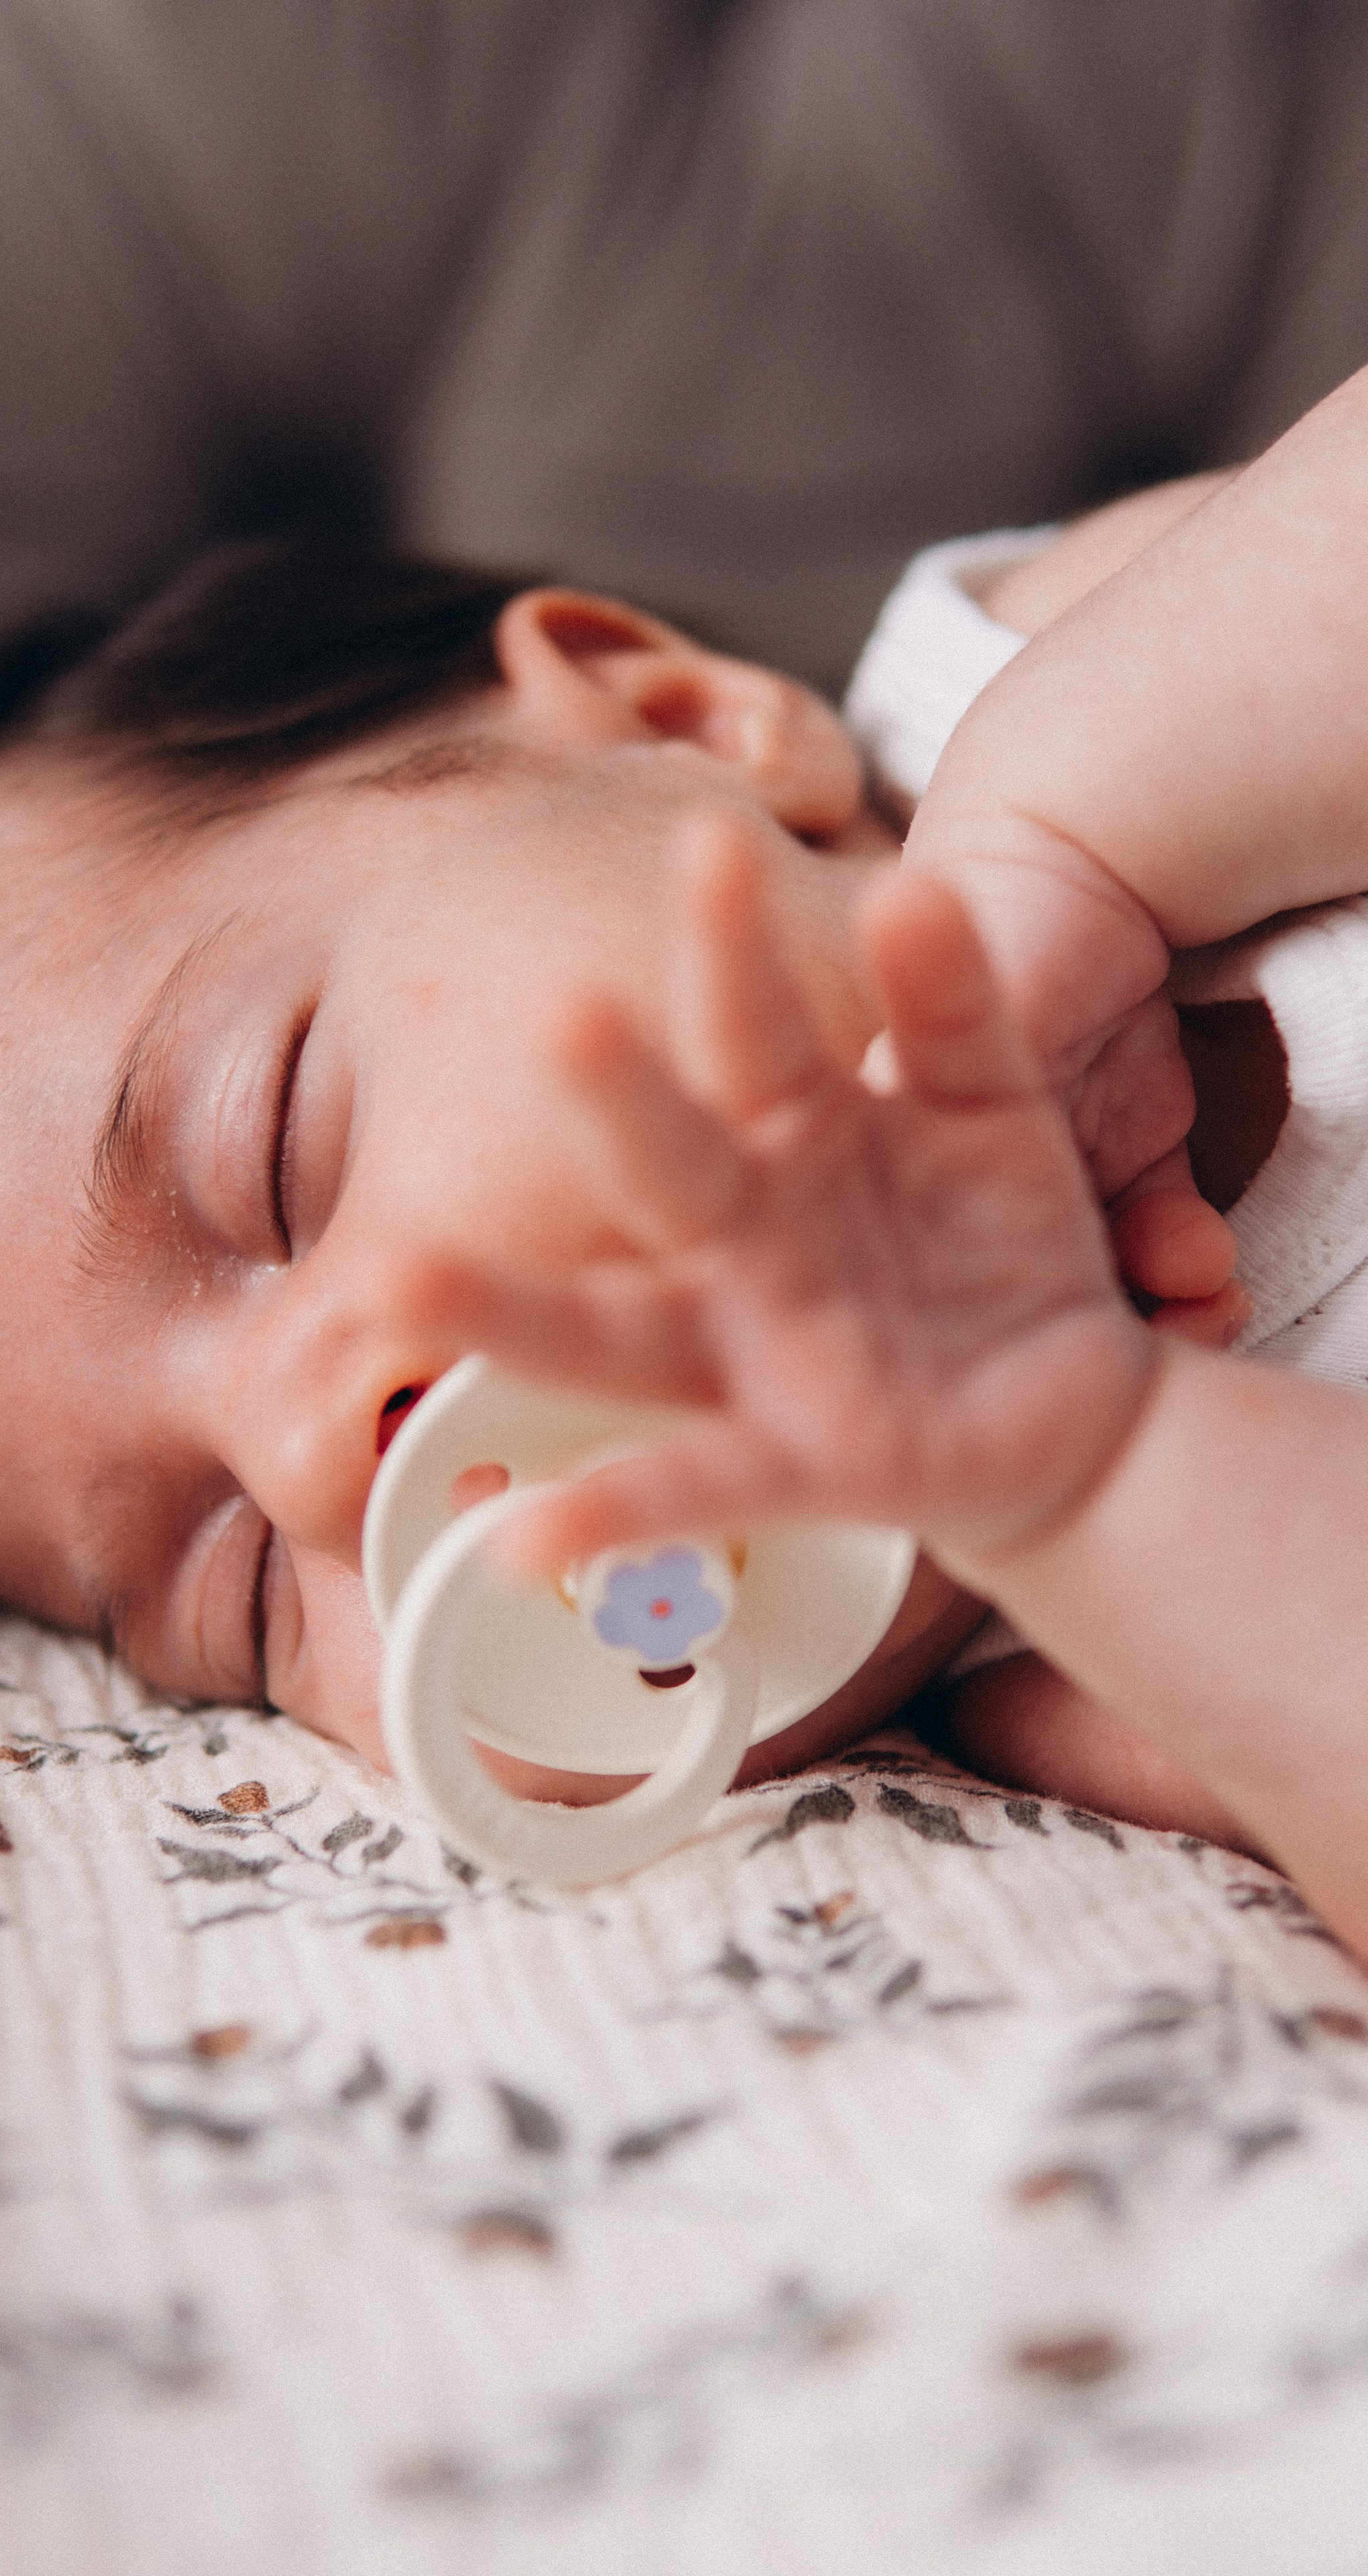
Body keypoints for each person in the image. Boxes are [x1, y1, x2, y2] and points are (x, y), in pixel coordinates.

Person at [407, 366, 1368, 1955]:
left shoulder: (1034, 679)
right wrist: (1096, 1475)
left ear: (676, 722)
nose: (325, 1446)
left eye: (279, 1162)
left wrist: (1065, 846)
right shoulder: (1066, 1665)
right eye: (238, 1594)